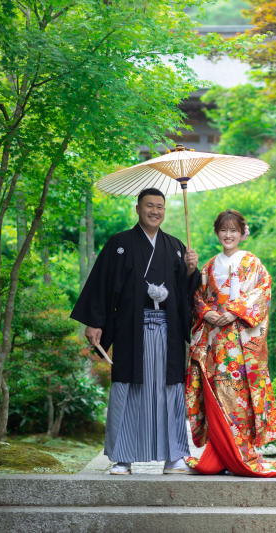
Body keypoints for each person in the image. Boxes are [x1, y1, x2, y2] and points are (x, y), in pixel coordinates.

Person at [71, 188, 200, 475]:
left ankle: (175, 456)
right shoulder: (119, 244)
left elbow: (186, 294)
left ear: (165, 211)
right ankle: (122, 457)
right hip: (132, 329)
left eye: (160, 207)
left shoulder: (177, 247)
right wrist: (95, 322)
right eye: (150, 206)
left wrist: (191, 271)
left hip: (168, 331)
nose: (155, 211)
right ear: (138, 208)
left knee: (170, 390)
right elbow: (102, 285)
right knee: (129, 390)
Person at [184, 209, 276, 477]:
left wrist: (235, 311)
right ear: (217, 232)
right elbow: (197, 296)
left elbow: (263, 291)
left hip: (241, 340)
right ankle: (218, 454)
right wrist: (207, 313)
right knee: (216, 393)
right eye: (224, 230)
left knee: (239, 395)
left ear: (242, 233)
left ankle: (241, 452)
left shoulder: (252, 263)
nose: (228, 235)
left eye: (234, 231)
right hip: (215, 339)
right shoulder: (208, 266)